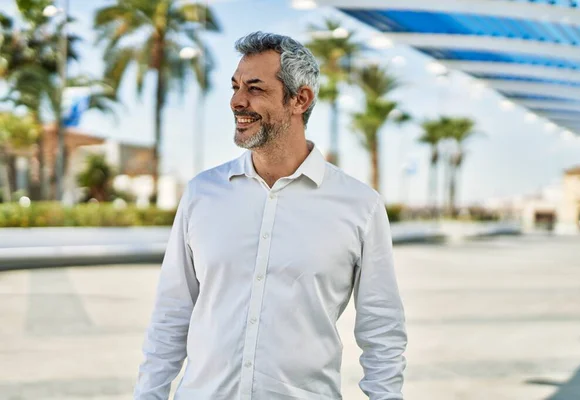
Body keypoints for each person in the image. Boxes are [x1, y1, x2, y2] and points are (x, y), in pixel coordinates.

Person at [134, 31, 407, 400]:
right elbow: (172, 313)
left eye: (255, 89)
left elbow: (382, 330)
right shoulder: (203, 193)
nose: (237, 101)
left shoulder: (360, 206)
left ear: (300, 99)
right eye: (235, 87)